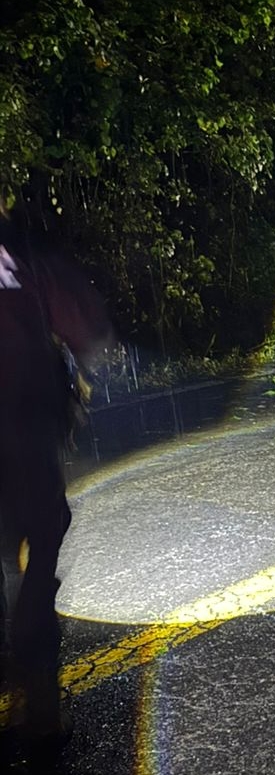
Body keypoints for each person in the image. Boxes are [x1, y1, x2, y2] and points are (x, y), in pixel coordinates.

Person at [0, 218, 111, 747]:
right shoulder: (20, 252)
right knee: (44, 538)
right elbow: (84, 326)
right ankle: (40, 702)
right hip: (21, 430)